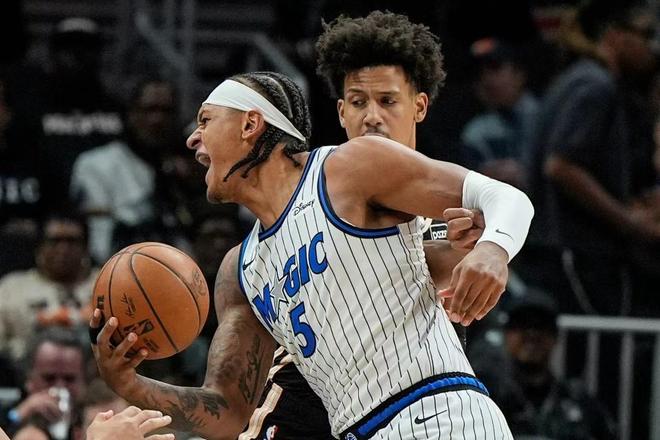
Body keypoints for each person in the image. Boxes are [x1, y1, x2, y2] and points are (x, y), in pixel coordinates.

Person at [91, 65, 533, 439]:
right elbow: (228, 411)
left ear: (250, 124)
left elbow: (503, 197)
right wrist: (128, 383)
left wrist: (493, 250)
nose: (193, 139)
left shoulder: (346, 169)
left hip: (438, 414)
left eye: (206, 120)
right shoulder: (240, 270)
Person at [241, 11, 489, 439]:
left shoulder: (448, 204)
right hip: (309, 400)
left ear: (420, 106)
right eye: (358, 103)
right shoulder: (315, 191)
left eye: (387, 101)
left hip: (407, 408)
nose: (372, 116)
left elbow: (445, 283)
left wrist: (480, 251)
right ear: (341, 112)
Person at [0, 214, 96, 362]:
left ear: (86, 247)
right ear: (40, 246)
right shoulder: (11, 288)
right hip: (26, 369)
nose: (63, 249)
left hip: (97, 371)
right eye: (54, 241)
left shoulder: (106, 283)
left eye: (72, 241)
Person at [0, 327, 86, 440]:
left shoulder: (92, 419)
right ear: (29, 378)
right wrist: (19, 415)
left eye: (69, 379)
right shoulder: (11, 411)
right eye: (49, 378)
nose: (60, 386)